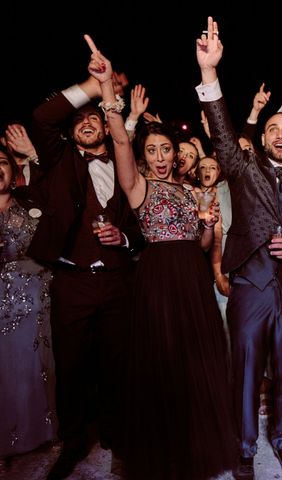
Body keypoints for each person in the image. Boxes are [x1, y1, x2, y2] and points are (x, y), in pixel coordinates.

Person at [84, 35, 237, 480]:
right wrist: (108, 89)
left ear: (176, 153)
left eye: (165, 149)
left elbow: (205, 248)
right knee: (162, 361)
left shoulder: (192, 192)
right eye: (151, 150)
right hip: (157, 278)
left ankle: (195, 445)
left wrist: (208, 223)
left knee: (195, 364)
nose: (159, 157)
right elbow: (119, 142)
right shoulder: (138, 186)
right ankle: (162, 449)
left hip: (192, 276)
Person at [196, 18, 282, 480]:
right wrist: (210, 76)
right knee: (246, 369)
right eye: (273, 127)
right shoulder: (244, 169)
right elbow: (223, 135)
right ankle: (245, 446)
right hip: (249, 284)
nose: (280, 134)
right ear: (265, 137)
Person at [28, 56, 145, 480]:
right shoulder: (59, 159)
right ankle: (73, 442)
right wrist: (94, 87)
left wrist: (125, 239)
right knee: (72, 367)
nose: (85, 123)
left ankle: (115, 434)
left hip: (116, 282)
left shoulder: (125, 163)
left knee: (117, 362)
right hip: (71, 282)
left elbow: (139, 226)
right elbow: (43, 116)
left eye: (94, 118)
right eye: (78, 120)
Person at [0, 147, 56, 469]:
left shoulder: (30, 202)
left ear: (13, 170)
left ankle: (44, 432)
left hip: (37, 293)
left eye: (3, 163)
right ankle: (6, 439)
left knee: (37, 365)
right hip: (2, 296)